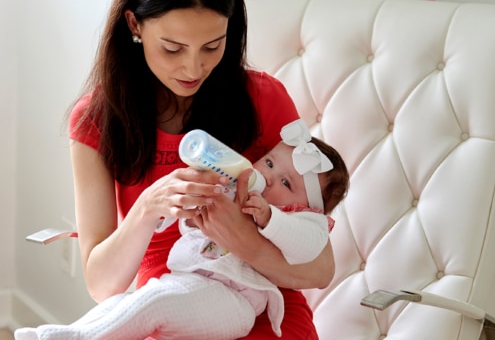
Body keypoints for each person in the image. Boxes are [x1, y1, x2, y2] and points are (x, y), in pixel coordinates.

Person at [38, 0, 337, 339]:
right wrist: (148, 206)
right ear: (134, 26)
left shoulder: (264, 99)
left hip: (262, 298)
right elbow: (102, 285)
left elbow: (320, 269)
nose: (194, 67)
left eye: (212, 46)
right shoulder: (97, 120)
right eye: (173, 48)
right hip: (170, 301)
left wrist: (239, 236)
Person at [14, 120, 349, 340]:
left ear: (308, 207)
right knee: (130, 303)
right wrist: (179, 205)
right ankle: (66, 333)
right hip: (187, 279)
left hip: (235, 302)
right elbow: (182, 221)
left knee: (155, 303)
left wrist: (268, 219)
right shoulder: (238, 189)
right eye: (270, 164)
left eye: (286, 183)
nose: (270, 179)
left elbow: (308, 249)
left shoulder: (299, 220)